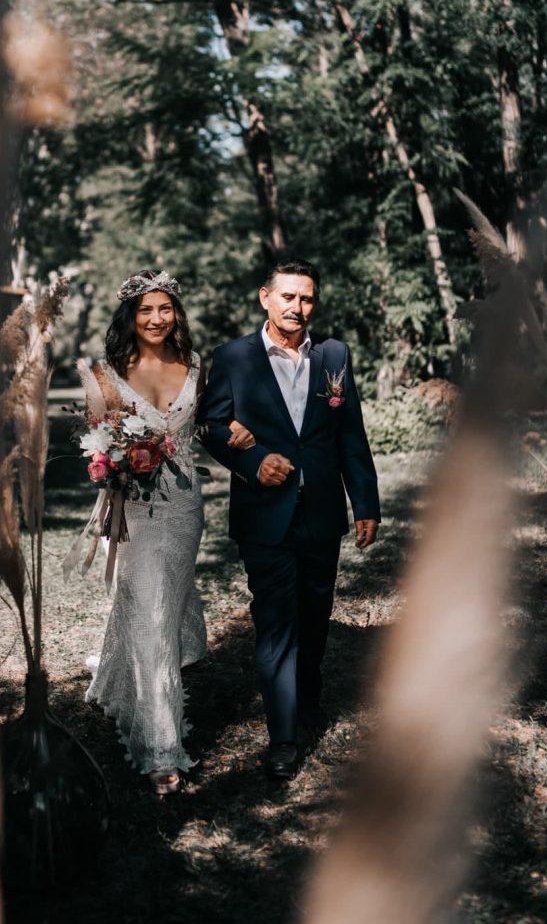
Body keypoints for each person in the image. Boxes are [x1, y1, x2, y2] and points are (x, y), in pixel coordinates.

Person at [197, 258, 380, 780]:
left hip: (323, 512)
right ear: (265, 298)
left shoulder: (333, 356)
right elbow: (210, 426)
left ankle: (307, 703)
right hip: (265, 516)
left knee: (315, 615)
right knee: (276, 622)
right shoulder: (232, 357)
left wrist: (364, 503)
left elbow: (350, 436)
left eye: (307, 299)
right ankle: (283, 735)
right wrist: (253, 464)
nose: (298, 308)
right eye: (289, 297)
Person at [78, 268, 246, 795]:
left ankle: (115, 681)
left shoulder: (195, 364)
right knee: (150, 613)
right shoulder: (103, 374)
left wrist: (236, 431)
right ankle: (161, 748)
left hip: (184, 504)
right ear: (130, 315)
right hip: (132, 505)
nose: (156, 318)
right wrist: (117, 461)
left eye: (165, 308)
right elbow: (97, 445)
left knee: (161, 607)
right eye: (146, 309)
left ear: (176, 313)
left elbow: (208, 424)